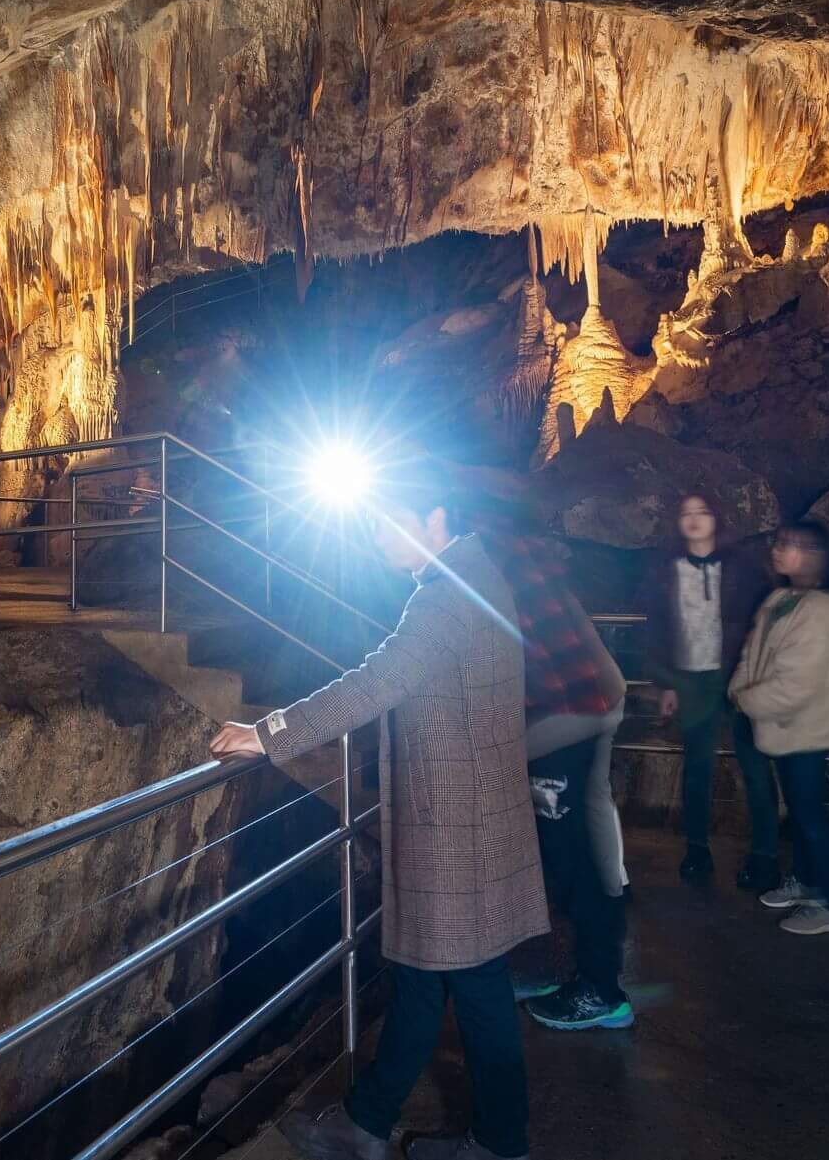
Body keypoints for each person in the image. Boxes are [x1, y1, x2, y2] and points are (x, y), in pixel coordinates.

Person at [210, 479, 543, 1160]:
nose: (378, 535)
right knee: (423, 975)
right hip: (462, 815)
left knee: (473, 987)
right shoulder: (466, 577)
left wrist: (268, 732)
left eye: (391, 521)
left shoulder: (447, 594)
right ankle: (365, 1121)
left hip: (457, 826)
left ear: (437, 515)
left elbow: (376, 680)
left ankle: (498, 1144)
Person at [494, 531, 632, 1032]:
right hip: (598, 700)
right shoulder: (518, 544)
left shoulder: (481, 555)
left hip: (559, 718)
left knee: (574, 855)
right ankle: (590, 976)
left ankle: (600, 990)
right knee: (595, 851)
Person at [638, 493, 772, 886]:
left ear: (717, 518)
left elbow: (760, 621)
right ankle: (697, 850)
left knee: (756, 767)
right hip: (691, 679)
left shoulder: (743, 568)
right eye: (686, 514)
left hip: (739, 675)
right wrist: (664, 681)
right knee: (697, 768)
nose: (694, 520)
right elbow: (655, 631)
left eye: (703, 512)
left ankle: (763, 855)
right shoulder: (666, 570)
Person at [728, 520, 829, 935]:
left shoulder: (819, 609)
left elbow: (799, 682)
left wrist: (746, 699)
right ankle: (806, 881)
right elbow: (752, 651)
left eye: (791, 545)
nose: (779, 550)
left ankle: (828, 901)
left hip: (805, 729)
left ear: (815, 557)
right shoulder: (780, 598)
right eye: (779, 543)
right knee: (799, 812)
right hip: (781, 726)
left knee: (809, 814)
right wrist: (740, 687)